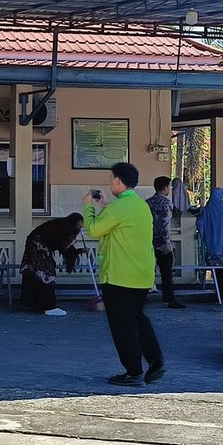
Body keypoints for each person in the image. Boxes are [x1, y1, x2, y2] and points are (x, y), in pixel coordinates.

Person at [83, 162, 166, 387]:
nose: (110, 182)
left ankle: (133, 372)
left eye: (111, 178)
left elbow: (93, 229)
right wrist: (104, 206)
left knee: (123, 327)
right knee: (138, 318)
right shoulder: (139, 206)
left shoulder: (118, 207)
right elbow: (118, 223)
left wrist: (89, 207)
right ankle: (156, 359)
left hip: (119, 276)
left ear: (118, 181)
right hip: (141, 276)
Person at [19, 213, 85, 316]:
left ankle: (36, 303)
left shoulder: (62, 225)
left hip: (35, 245)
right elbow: (65, 246)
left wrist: (79, 251)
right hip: (39, 247)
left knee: (36, 274)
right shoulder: (67, 228)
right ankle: (48, 306)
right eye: (79, 224)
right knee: (46, 275)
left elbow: (63, 246)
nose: (81, 226)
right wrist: (76, 247)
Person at [146, 175, 183, 308]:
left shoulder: (148, 202)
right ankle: (169, 298)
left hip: (148, 240)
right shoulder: (166, 203)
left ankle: (143, 294)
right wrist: (167, 242)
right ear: (165, 187)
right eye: (169, 186)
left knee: (147, 270)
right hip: (162, 241)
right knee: (166, 272)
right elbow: (165, 223)